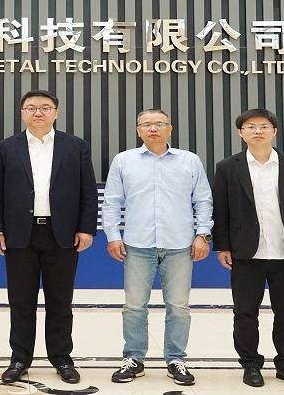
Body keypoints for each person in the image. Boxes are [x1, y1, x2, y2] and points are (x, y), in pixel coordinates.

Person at [0, 90, 98, 385]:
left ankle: (61, 358)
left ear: (56, 113)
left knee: (60, 301)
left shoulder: (75, 146)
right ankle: (19, 359)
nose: (38, 112)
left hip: (63, 235)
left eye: (45, 107)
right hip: (19, 235)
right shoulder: (5, 147)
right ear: (22, 112)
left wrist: (87, 228)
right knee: (21, 301)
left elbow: (88, 189)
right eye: (31, 107)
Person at [102, 109, 212, 387]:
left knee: (179, 306)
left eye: (159, 123)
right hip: (137, 245)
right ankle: (134, 358)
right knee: (134, 306)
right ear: (138, 129)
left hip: (180, 245)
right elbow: (112, 201)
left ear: (170, 128)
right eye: (147, 124)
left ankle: (176, 359)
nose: (153, 128)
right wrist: (113, 235)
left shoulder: (189, 160)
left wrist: (203, 234)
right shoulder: (124, 160)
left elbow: (203, 200)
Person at [212, 108, 284, 389]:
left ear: (274, 131)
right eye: (250, 126)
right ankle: (250, 364)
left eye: (264, 126)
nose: (257, 131)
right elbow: (221, 209)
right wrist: (222, 246)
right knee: (245, 312)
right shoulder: (227, 167)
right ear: (240, 132)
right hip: (245, 251)